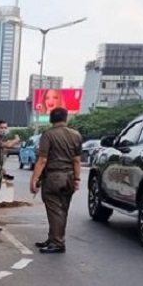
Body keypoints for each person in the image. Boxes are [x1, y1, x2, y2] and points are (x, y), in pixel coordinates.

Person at [30, 107, 82, 253]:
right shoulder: (76, 135)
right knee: (63, 210)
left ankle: (57, 243)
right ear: (66, 118)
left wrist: (34, 179)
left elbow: (42, 160)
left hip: (54, 178)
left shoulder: (48, 135)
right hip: (70, 178)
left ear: (51, 119)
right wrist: (77, 179)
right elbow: (77, 160)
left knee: (54, 211)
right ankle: (54, 238)